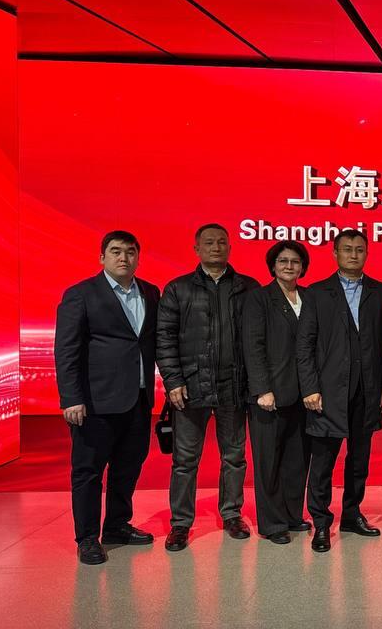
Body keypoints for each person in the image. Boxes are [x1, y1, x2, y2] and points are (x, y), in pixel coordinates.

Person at [55, 230, 160, 565]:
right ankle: (87, 537)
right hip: (94, 402)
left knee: (127, 467)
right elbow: (66, 351)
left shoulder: (150, 292)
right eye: (115, 251)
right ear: (102, 257)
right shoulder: (81, 294)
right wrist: (71, 398)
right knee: (88, 471)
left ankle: (116, 526)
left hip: (138, 399)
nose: (123, 258)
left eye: (130, 252)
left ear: (138, 257)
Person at [157, 223, 260, 551]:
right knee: (185, 459)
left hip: (234, 386)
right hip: (190, 387)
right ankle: (180, 523)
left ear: (230, 247)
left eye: (222, 242)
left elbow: (258, 339)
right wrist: (173, 380)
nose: (216, 247)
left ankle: (231, 514)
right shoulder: (178, 289)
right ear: (196, 248)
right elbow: (164, 338)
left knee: (234, 456)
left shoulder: (248, 287)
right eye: (209, 243)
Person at [296, 229, 382, 553]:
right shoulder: (317, 293)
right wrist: (310, 387)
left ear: (367, 253)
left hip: (367, 391)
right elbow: (304, 344)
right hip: (327, 393)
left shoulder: (380, 292)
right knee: (323, 462)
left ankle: (352, 515)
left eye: (359, 249)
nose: (354, 254)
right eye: (347, 249)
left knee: (359, 461)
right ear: (335, 253)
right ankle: (321, 523)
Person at [241, 240, 313, 545]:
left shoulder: (309, 297)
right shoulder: (259, 298)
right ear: (273, 266)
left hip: (304, 395)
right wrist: (262, 389)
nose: (289, 266)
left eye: (295, 261)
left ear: (303, 267)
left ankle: (293, 515)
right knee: (268, 461)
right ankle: (272, 523)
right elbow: (252, 345)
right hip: (269, 395)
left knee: (297, 459)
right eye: (283, 261)